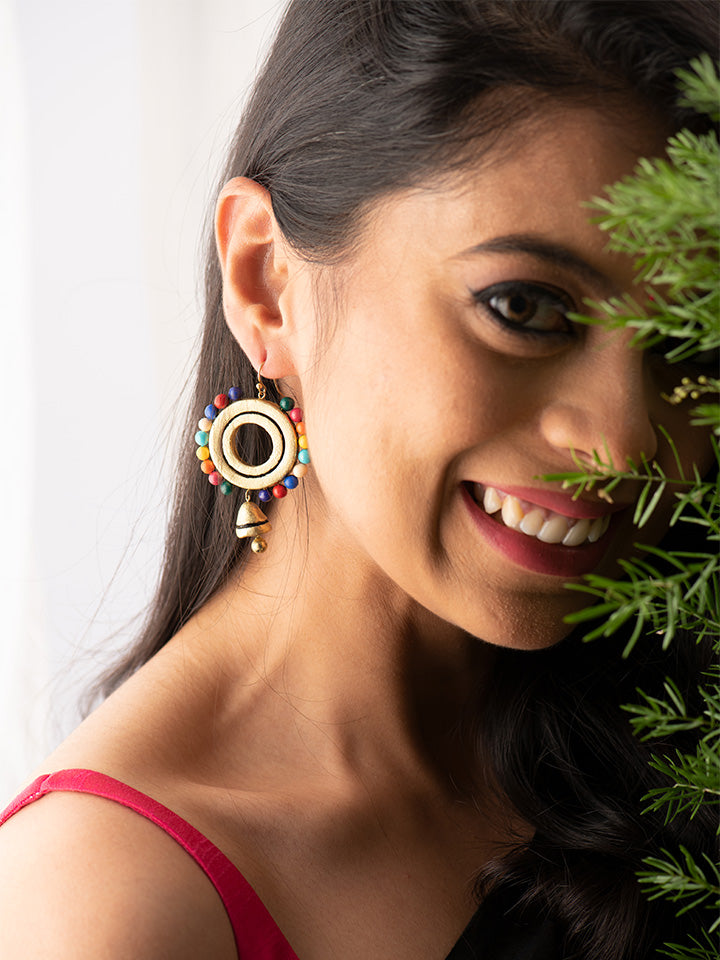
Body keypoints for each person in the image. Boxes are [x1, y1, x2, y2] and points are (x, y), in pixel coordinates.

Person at [0, 1, 716, 958]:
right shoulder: (104, 909)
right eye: (524, 308)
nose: (625, 444)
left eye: (689, 342)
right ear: (267, 283)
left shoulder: (664, 736)